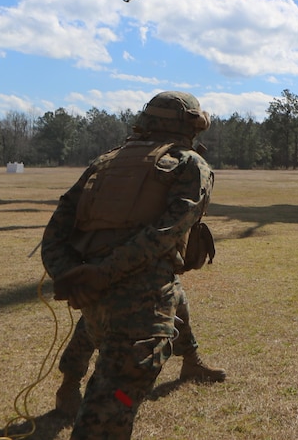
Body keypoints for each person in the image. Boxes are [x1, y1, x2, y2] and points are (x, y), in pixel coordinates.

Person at [42, 91, 222, 439]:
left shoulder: (106, 161)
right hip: (140, 306)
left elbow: (56, 229)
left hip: (96, 297)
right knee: (115, 402)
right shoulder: (189, 164)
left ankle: (190, 361)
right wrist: (98, 274)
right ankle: (98, 395)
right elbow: (166, 233)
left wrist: (72, 275)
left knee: (171, 302)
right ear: (190, 124)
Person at [55, 276, 226, 417]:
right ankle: (69, 386)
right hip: (107, 264)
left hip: (147, 266)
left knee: (176, 295)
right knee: (97, 317)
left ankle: (191, 361)